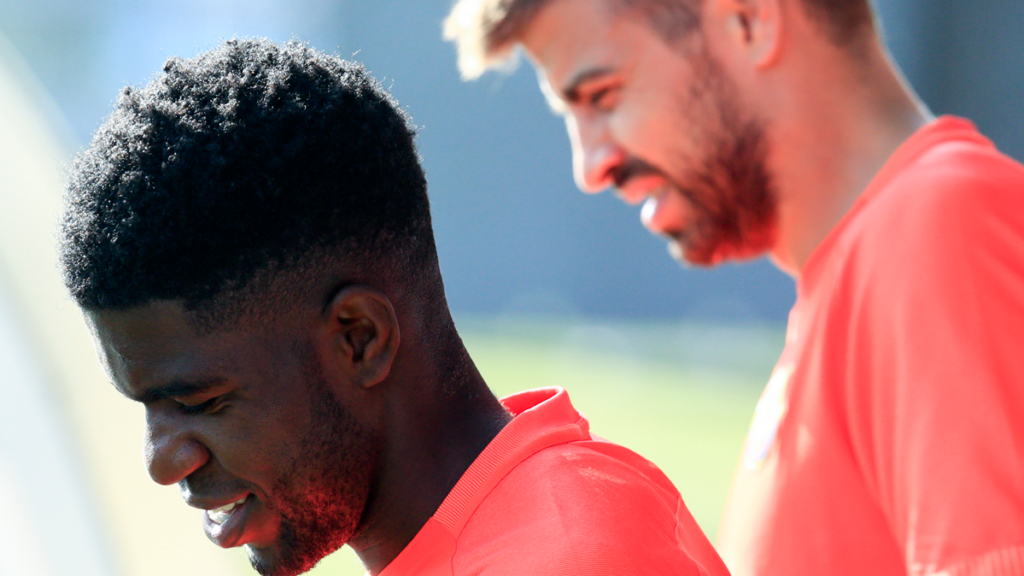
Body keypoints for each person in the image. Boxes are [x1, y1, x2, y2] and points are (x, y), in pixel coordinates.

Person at [59, 38, 730, 576]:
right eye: (145, 406)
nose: (162, 463)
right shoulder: (511, 531)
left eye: (201, 402)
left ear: (360, 338)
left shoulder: (570, 558)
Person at [443, 1, 1024, 575]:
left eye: (603, 95)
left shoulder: (943, 224)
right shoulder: (859, 275)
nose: (590, 167)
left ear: (749, 20)